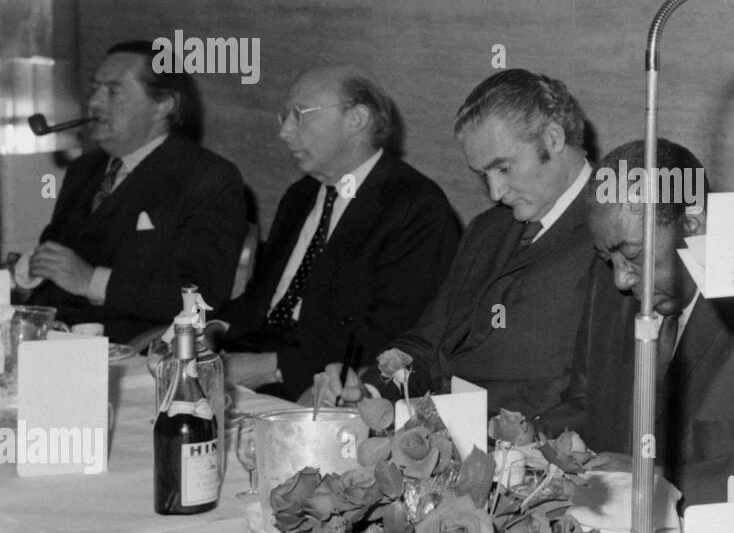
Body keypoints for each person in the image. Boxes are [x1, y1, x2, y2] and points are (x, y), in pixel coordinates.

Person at [540, 139, 734, 529]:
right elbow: (584, 404)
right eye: (609, 259)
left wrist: (663, 481)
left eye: (634, 256)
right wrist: (535, 443)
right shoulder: (607, 289)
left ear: (692, 226)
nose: (621, 279)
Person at [322, 68, 597, 415]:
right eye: (484, 175)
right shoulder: (488, 230)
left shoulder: (613, 234)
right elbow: (428, 341)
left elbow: (594, 395)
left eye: (504, 168)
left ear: (553, 139)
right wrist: (371, 391)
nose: (495, 193)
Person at [213, 65, 459, 400]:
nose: (284, 132)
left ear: (356, 119)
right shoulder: (300, 196)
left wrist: (272, 366)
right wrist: (211, 330)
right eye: (284, 117)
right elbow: (262, 300)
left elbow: (394, 335)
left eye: (299, 115)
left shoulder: (414, 208)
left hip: (325, 384)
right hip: (247, 360)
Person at [18, 40, 246, 344]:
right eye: (94, 89)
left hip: (135, 351)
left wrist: (91, 281)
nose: (95, 103)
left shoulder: (208, 178)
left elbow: (202, 297)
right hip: (56, 341)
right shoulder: (84, 169)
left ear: (163, 105)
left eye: (112, 92)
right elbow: (57, 254)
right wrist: (32, 269)